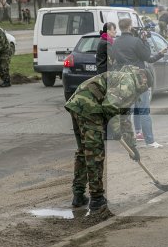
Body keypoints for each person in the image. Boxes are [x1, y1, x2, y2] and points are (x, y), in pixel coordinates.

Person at [64, 65, 151, 211]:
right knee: (94, 153)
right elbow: (110, 105)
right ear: (144, 80)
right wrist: (115, 129)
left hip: (78, 104)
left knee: (84, 151)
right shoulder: (128, 83)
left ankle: (78, 195)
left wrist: (132, 146)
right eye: (146, 87)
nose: (144, 91)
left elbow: (124, 118)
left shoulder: (125, 79)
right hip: (90, 107)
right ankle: (96, 198)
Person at [111, 18, 168, 148]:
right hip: (138, 79)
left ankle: (132, 138)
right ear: (130, 27)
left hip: (124, 80)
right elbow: (147, 56)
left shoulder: (115, 43)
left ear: (120, 28)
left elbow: (114, 59)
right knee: (143, 110)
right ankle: (150, 140)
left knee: (128, 110)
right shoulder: (136, 41)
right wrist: (144, 40)